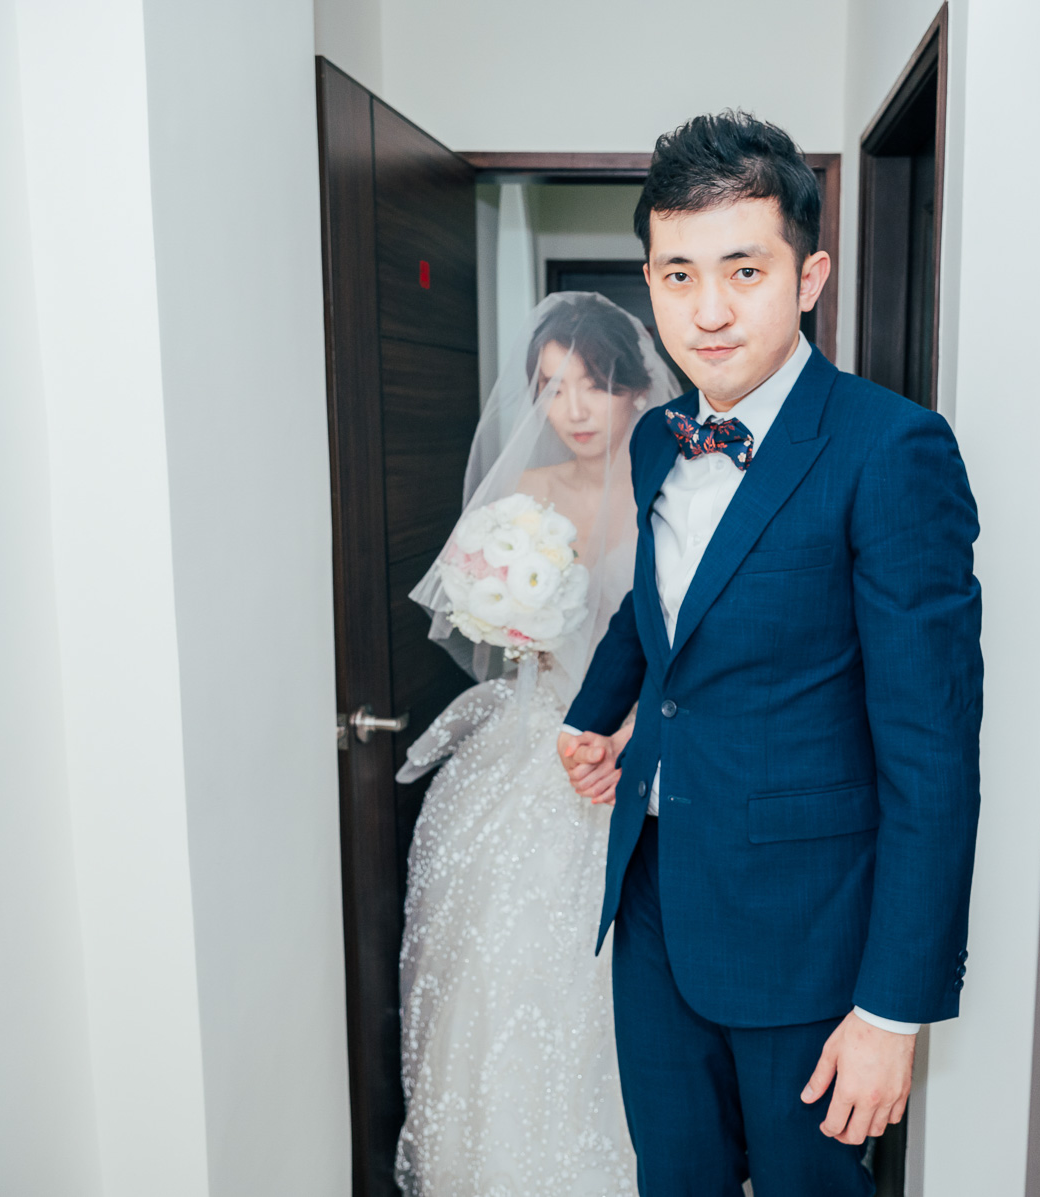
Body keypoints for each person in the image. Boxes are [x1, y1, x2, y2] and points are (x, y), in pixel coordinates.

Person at [556, 112, 984, 1197]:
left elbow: (933, 755)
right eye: (679, 274)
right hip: (654, 899)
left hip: (810, 933)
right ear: (650, 283)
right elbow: (660, 605)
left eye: (743, 271)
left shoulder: (892, 451)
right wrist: (596, 711)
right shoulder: (655, 439)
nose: (707, 311)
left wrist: (891, 1010)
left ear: (809, 278)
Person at [395, 293, 679, 1196]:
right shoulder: (525, 497)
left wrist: (630, 726)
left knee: (627, 982)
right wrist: (508, 618)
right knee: (508, 968)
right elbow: (491, 628)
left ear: (636, 386)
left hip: (640, 751)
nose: (575, 409)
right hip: (535, 746)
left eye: (594, 384)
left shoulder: (677, 490)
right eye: (554, 388)